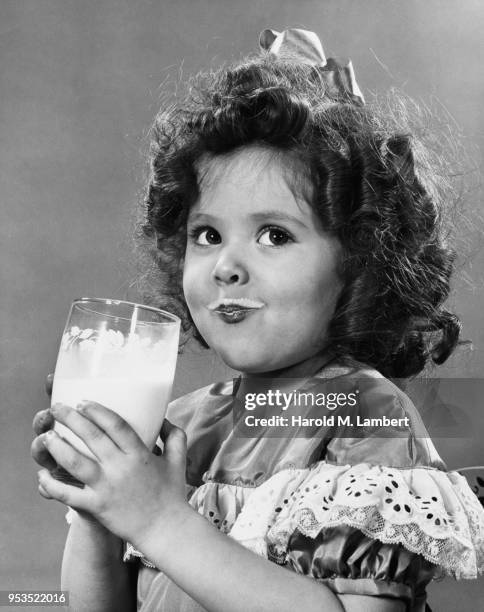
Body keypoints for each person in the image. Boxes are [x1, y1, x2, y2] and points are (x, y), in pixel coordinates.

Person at [31, 28, 484, 612]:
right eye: (208, 235)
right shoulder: (186, 423)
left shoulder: (363, 418)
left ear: (357, 262)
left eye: (273, 235)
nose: (226, 266)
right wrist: (100, 508)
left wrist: (159, 520)